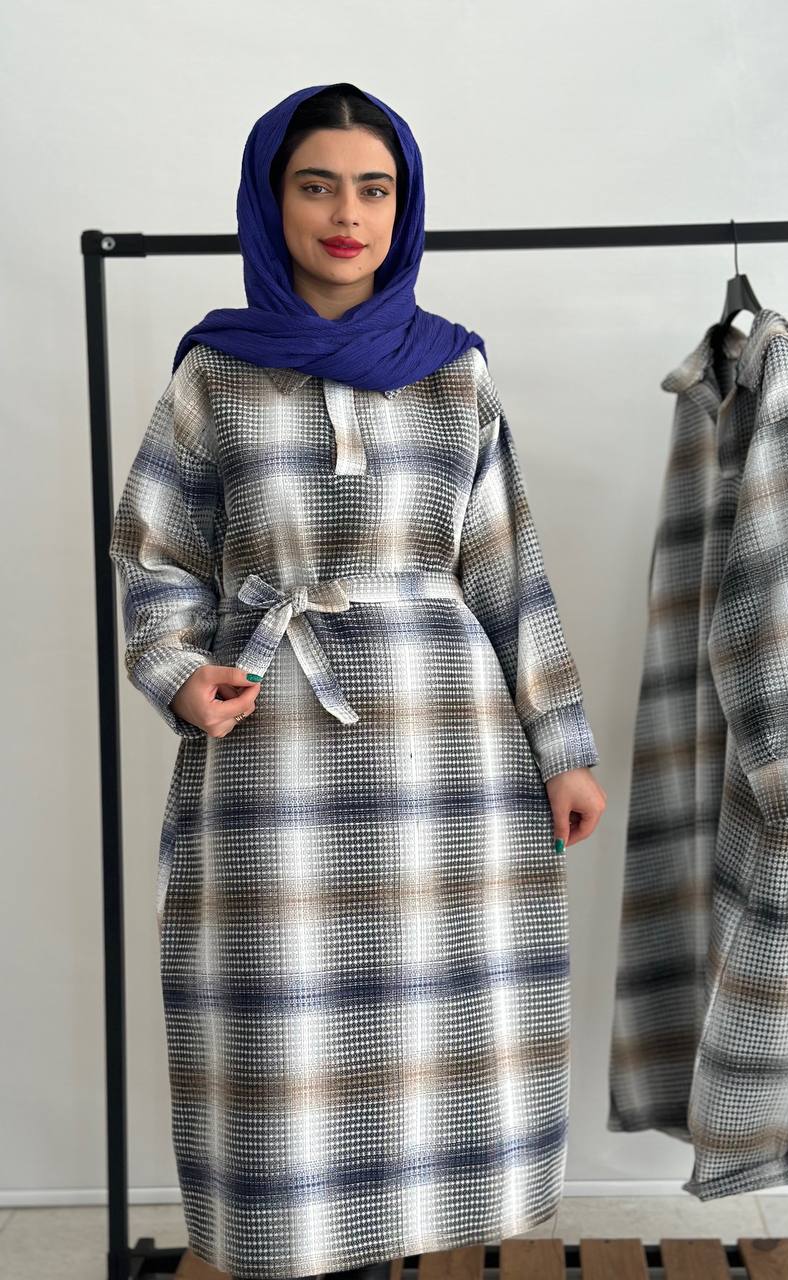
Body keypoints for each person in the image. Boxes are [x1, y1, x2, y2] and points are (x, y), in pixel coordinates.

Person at [109, 82, 606, 1280]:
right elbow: (152, 549)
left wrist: (563, 746)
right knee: (281, 1031)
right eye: (317, 185)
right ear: (270, 200)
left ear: (404, 205)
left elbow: (507, 568)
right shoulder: (213, 374)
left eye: (373, 189)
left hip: (452, 753)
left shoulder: (455, 372)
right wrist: (177, 670)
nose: (347, 215)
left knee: (439, 1023)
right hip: (272, 738)